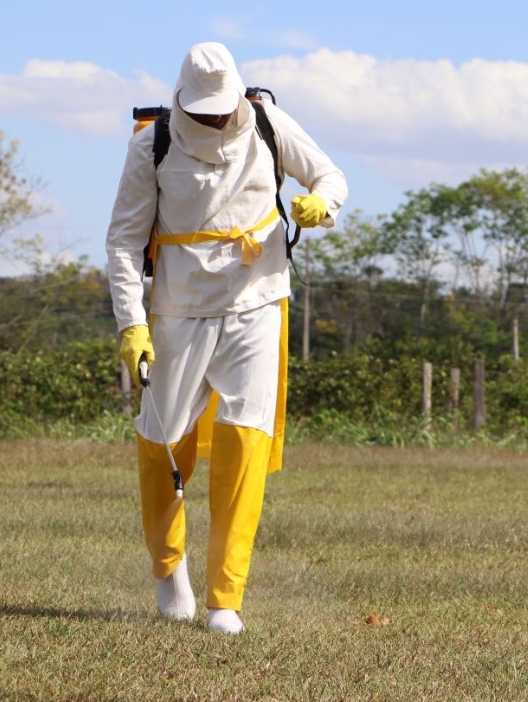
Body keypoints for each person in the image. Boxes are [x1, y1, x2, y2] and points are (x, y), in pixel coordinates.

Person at [105, 42, 347, 634]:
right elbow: (122, 241)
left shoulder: (267, 121)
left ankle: (225, 600)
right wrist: (131, 324)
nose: (215, 117)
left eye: (223, 106)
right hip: (180, 309)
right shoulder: (152, 143)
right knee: (162, 441)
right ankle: (170, 573)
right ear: (183, 100)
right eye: (204, 108)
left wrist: (321, 202)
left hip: (257, 302)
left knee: (246, 440)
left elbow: (330, 174)